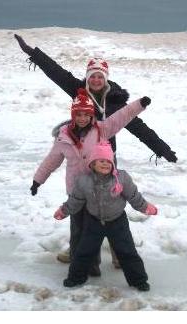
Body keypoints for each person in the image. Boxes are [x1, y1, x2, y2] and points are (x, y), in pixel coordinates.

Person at [14, 34, 177, 264]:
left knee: (113, 206)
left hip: (107, 162)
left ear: (106, 79)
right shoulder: (79, 92)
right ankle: (77, 250)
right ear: (88, 78)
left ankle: (119, 253)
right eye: (93, 76)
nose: (96, 80)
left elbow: (139, 127)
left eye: (100, 76)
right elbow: (57, 73)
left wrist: (163, 149)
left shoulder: (116, 103)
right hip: (81, 159)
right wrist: (34, 54)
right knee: (78, 205)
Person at [30, 88, 151, 276]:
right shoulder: (63, 137)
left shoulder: (101, 129)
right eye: (78, 115)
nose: (82, 118)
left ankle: (103, 261)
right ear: (73, 115)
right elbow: (51, 160)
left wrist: (139, 104)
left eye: (86, 115)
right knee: (78, 229)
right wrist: (38, 180)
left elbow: (121, 116)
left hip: (99, 189)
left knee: (94, 232)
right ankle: (84, 266)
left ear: (91, 115)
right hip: (76, 191)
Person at [54, 141, 157, 291]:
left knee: (127, 252)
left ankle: (139, 281)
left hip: (117, 221)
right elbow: (76, 200)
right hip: (93, 221)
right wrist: (64, 210)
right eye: (101, 161)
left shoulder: (121, 178)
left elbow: (133, 196)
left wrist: (145, 207)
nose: (106, 164)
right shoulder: (84, 181)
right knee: (84, 251)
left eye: (108, 161)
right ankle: (75, 278)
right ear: (92, 164)